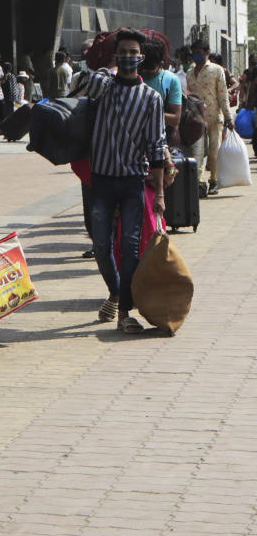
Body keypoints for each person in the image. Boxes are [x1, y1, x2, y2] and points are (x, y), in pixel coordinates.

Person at [74, 29, 169, 334]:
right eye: (123, 52)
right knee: (101, 246)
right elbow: (79, 84)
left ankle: (125, 310)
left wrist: (160, 193)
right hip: (100, 181)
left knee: (129, 247)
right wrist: (106, 71)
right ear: (116, 57)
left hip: (132, 182)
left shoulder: (151, 98)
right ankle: (115, 291)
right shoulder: (103, 87)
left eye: (134, 53)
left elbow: (156, 146)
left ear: (142, 57)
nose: (129, 57)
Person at [187, 38, 233, 197]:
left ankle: (213, 181)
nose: (196, 56)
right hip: (197, 120)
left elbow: (223, 95)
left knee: (214, 152)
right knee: (197, 153)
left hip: (215, 119)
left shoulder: (217, 70)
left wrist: (228, 117)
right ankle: (200, 183)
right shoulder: (189, 73)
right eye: (194, 53)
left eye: (199, 53)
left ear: (207, 53)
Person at [140, 39, 182, 160]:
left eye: (151, 68)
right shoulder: (132, 75)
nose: (146, 71)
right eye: (144, 67)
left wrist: (142, 113)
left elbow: (175, 119)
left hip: (162, 143)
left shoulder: (171, 80)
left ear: (161, 63)